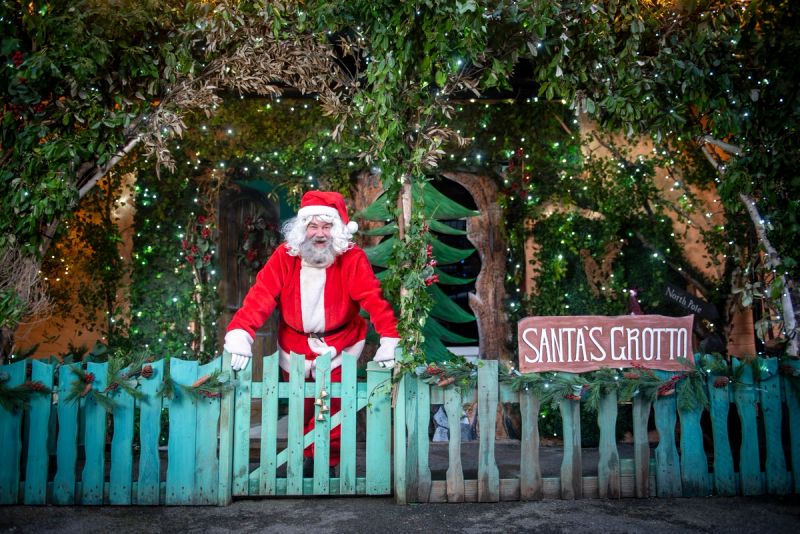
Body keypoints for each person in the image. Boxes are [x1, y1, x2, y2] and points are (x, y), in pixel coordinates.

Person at [223, 190, 399, 470]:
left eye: (327, 226)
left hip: (341, 344)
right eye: (313, 226)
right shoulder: (285, 256)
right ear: (302, 228)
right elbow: (262, 295)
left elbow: (373, 299)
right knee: (301, 408)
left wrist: (390, 337)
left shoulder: (351, 258)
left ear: (337, 229)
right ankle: (304, 457)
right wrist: (241, 331)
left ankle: (324, 463)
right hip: (295, 347)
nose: (320, 233)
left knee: (335, 407)